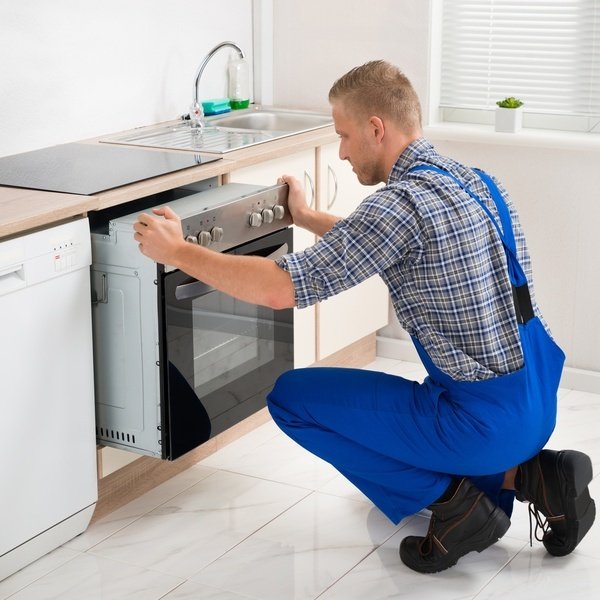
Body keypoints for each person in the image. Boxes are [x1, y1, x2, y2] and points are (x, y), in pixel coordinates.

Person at [133, 60, 595, 573]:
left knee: (291, 400)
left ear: (377, 128)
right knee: (412, 423)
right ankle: (533, 476)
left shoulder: (401, 205)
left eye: (345, 135)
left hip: (483, 424)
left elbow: (279, 289)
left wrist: (178, 252)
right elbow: (371, 243)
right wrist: (305, 216)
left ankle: (456, 506)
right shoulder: (475, 182)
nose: (342, 152)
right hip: (536, 402)